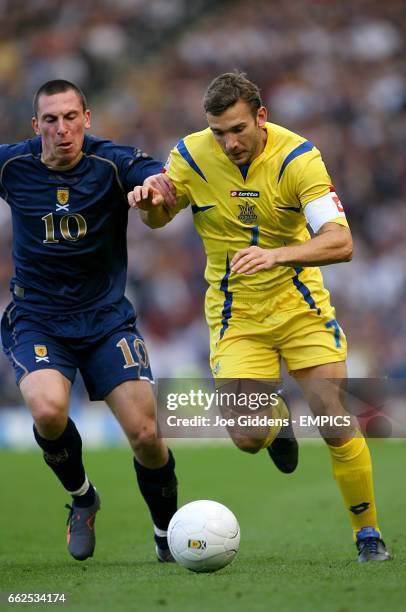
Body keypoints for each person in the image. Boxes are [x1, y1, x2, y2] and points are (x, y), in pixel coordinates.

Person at [128, 72, 391, 563]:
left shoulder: (298, 158)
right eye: (218, 132)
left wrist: (277, 255)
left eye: (237, 130)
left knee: (333, 416)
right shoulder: (189, 154)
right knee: (248, 436)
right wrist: (150, 205)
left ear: (261, 117)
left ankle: (368, 534)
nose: (228, 143)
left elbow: (341, 241)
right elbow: (161, 217)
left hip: (299, 309)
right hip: (236, 315)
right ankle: (277, 429)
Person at [0, 79, 179, 563]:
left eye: (71, 117)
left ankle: (167, 534)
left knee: (145, 435)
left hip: (105, 320)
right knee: (47, 410)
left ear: (88, 118)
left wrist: (154, 187)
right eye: (51, 120)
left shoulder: (111, 162)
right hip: (37, 319)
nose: (63, 129)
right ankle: (82, 498)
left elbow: (158, 176)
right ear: (36, 125)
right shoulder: (12, 165)